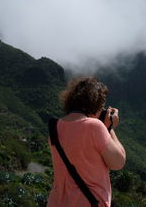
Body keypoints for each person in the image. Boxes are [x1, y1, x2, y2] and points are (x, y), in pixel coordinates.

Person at [47, 77, 126, 207]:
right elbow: (118, 162)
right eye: (102, 106)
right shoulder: (94, 127)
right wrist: (110, 129)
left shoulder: (54, 128)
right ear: (95, 105)